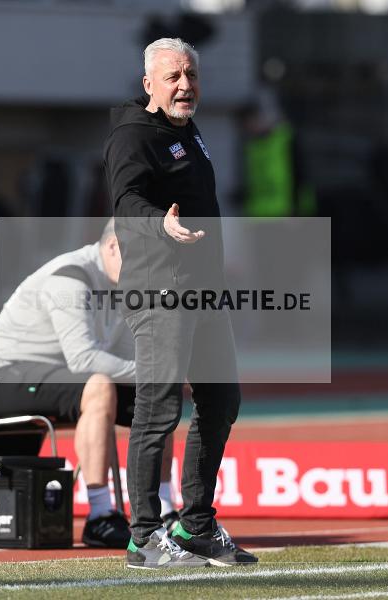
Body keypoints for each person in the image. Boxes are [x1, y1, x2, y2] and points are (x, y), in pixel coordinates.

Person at [103, 38, 258, 568]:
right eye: (172, 77)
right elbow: (127, 202)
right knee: (157, 409)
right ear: (148, 84)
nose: (184, 85)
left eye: (190, 74)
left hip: (203, 289)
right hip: (160, 289)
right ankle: (144, 537)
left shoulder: (186, 129)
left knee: (222, 400)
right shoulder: (132, 136)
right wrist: (160, 224)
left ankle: (195, 527)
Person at [0, 220, 176, 549]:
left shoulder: (124, 284)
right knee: (100, 386)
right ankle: (99, 516)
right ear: (112, 246)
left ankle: (166, 511)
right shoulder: (71, 278)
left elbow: (124, 357)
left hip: (62, 374)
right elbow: (83, 359)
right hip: (3, 373)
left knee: (160, 396)